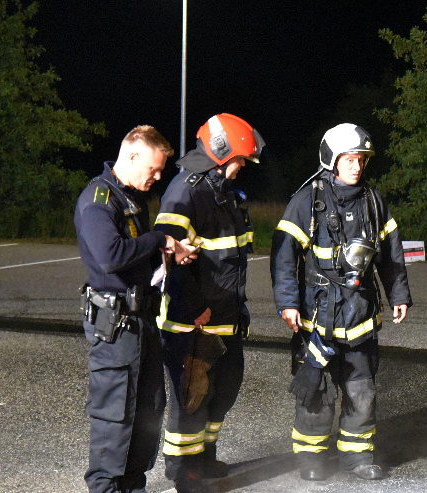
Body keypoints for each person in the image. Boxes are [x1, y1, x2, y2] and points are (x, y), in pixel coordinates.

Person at [270, 123, 412, 482]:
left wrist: (399, 295)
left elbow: (391, 254)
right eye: (349, 159)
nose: (356, 166)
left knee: (360, 387)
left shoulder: (373, 201)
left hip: (360, 312)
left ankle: (358, 456)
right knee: (315, 390)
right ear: (331, 159)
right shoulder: (308, 200)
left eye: (361, 160)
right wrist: (288, 303)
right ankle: (312, 458)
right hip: (317, 315)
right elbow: (284, 255)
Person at [75, 125, 198, 493]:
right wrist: (159, 238)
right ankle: (106, 487)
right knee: (116, 414)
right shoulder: (99, 199)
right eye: (154, 169)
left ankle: (132, 485)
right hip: (115, 326)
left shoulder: (132, 199)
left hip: (142, 320)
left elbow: (138, 260)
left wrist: (169, 256)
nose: (158, 177)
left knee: (148, 409)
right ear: (131, 157)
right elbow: (110, 256)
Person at [153, 113, 264, 493]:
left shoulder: (226, 194)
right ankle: (183, 469)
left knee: (223, 391)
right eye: (240, 158)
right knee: (192, 397)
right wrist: (194, 306)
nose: (243, 166)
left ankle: (204, 455)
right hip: (193, 322)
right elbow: (170, 257)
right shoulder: (185, 190)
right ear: (220, 152)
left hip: (227, 316)